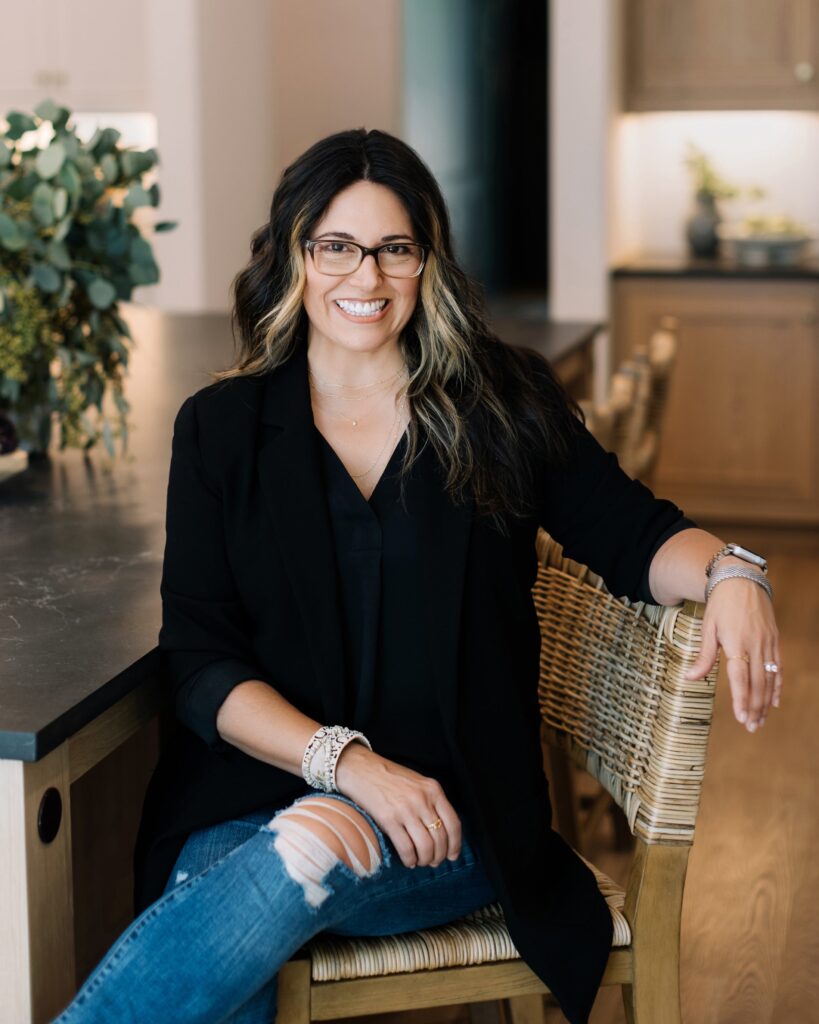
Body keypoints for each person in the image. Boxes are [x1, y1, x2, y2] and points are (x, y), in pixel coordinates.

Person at [51, 128, 782, 1024]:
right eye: (337, 248)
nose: (366, 279)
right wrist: (344, 763)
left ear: (426, 261)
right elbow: (201, 660)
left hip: (448, 813)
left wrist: (733, 571)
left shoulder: (499, 401)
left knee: (298, 856)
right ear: (295, 257)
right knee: (251, 906)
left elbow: (633, 533)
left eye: (394, 249)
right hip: (253, 790)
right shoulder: (221, 428)